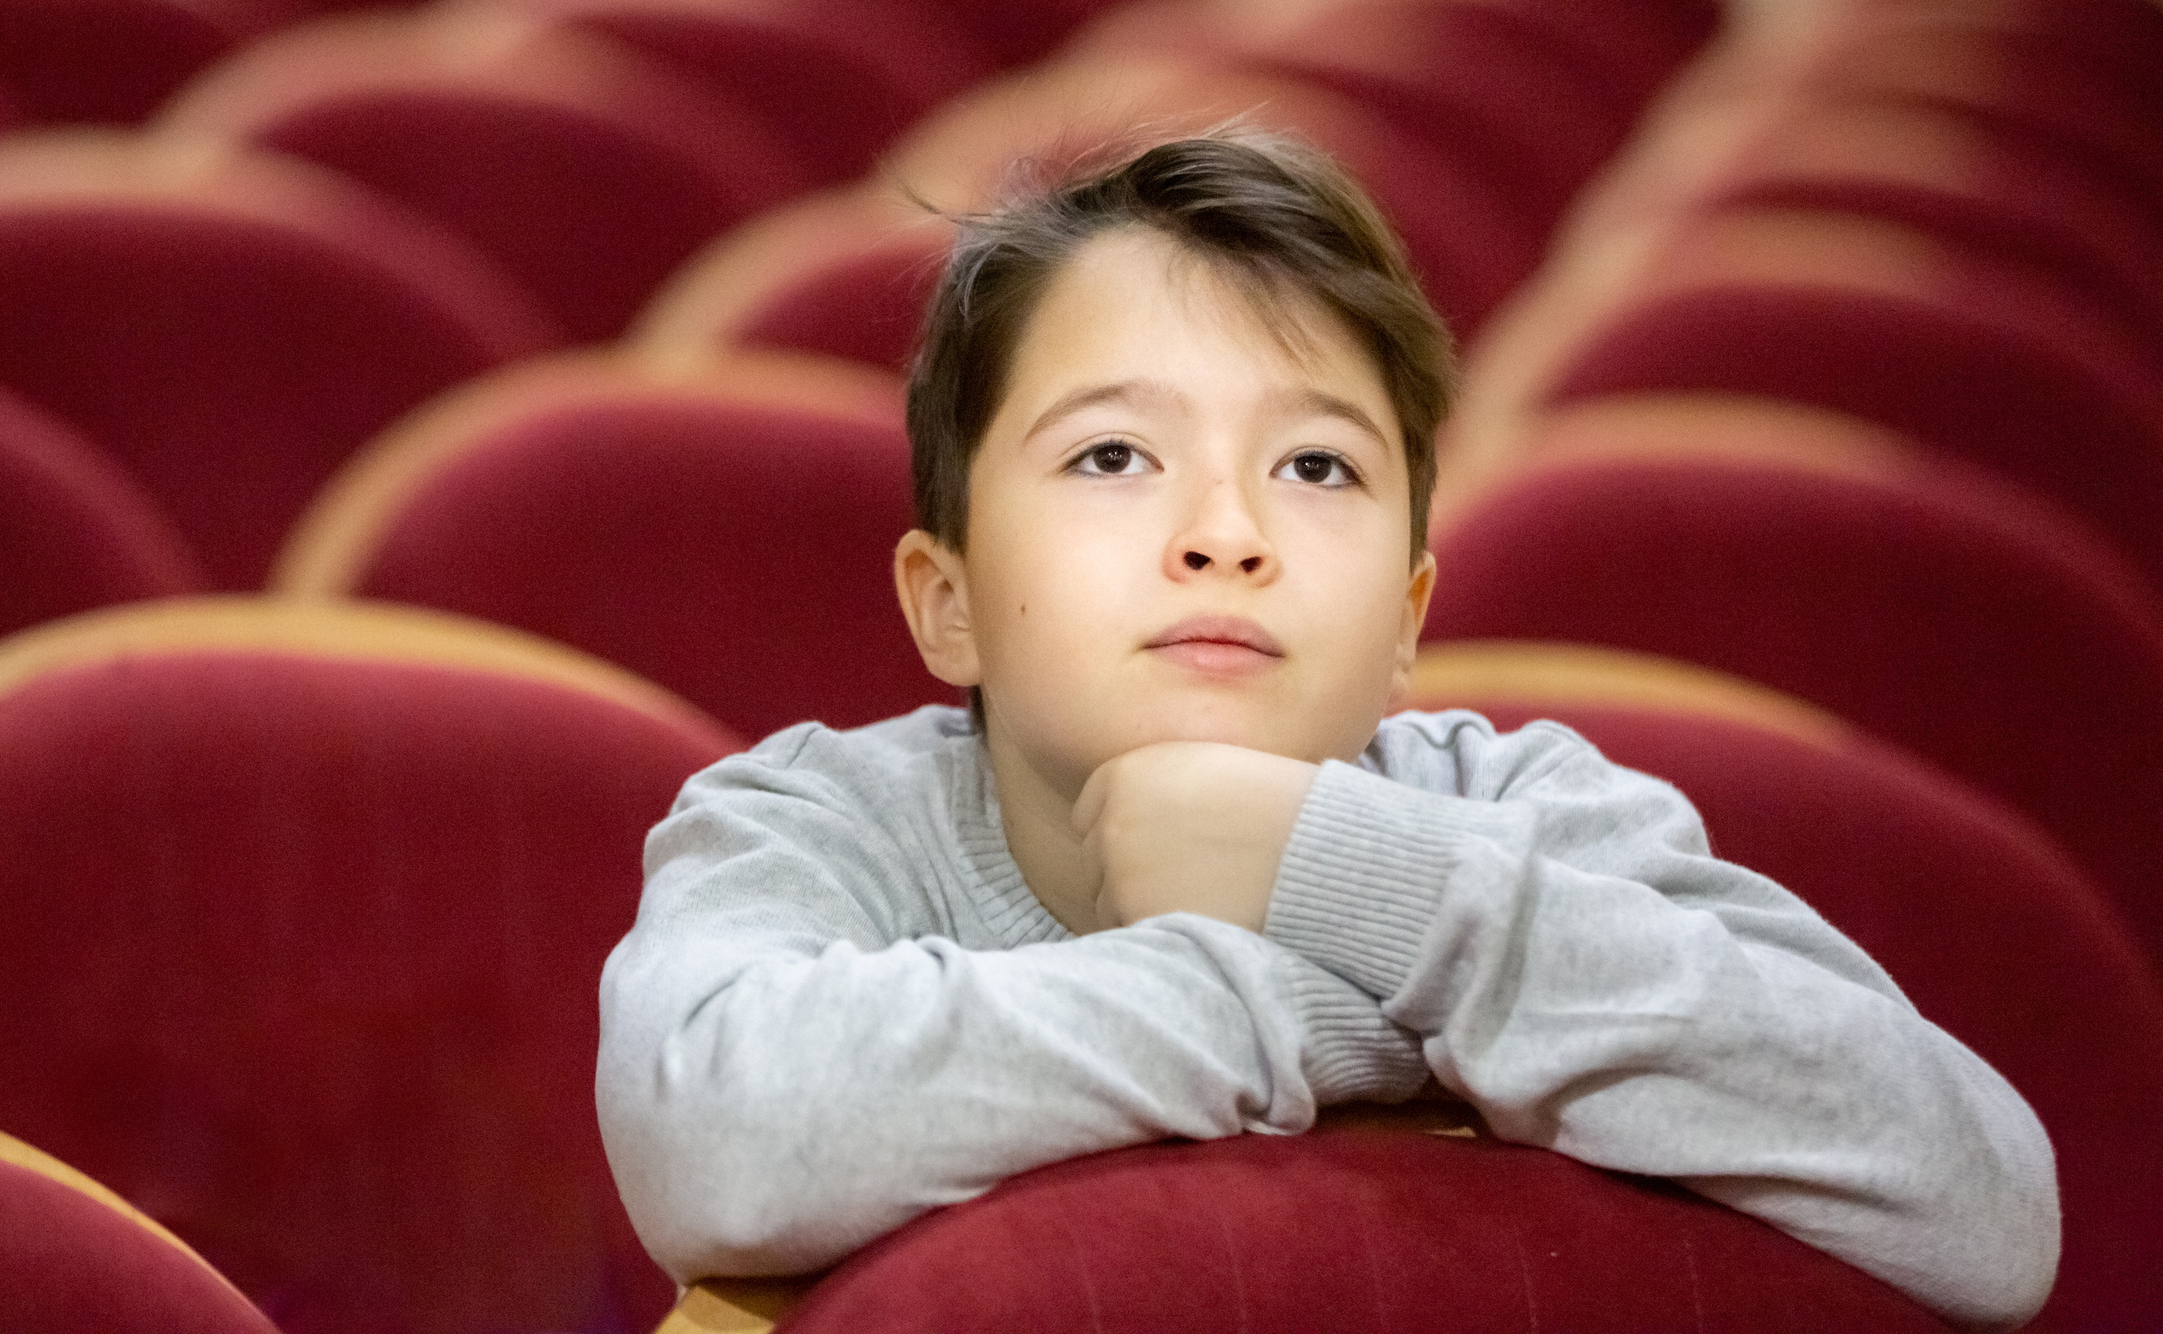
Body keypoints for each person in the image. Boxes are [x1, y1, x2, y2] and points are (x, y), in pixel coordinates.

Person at [594, 131, 2058, 1328]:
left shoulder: (1517, 813)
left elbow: (1988, 1204)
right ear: (949, 599)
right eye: (1114, 454)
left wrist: (1363, 874)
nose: (1227, 533)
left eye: (1315, 465)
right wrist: (1319, 993)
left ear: (1410, 616)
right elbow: (716, 1139)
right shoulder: (815, 821)